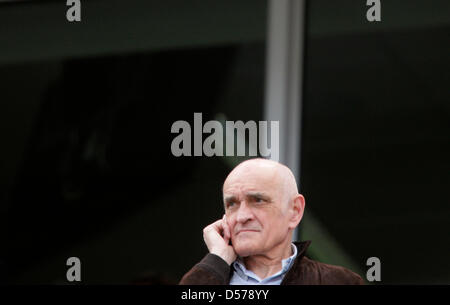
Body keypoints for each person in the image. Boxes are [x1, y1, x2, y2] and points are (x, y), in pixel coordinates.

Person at [179, 158, 364, 285]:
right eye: (232, 204)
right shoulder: (211, 276)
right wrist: (217, 259)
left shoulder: (337, 281)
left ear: (295, 211)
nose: (242, 216)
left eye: (258, 200)